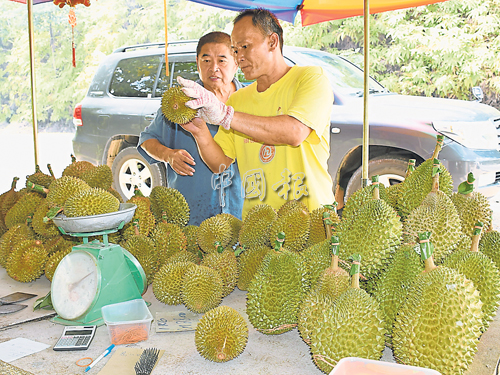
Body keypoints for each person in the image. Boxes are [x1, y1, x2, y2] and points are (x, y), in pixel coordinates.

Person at [178, 8, 334, 219]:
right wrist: (199, 131)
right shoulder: (239, 100)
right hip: (258, 226)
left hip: (310, 220)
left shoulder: (310, 79)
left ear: (272, 42)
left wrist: (226, 116)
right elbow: (220, 163)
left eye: (245, 46)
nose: (239, 57)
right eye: (235, 50)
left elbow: (294, 132)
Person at [138, 31, 244, 226]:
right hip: (191, 214)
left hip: (240, 211)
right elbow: (147, 140)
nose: (214, 68)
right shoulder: (180, 101)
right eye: (206, 61)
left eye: (222, 60)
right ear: (197, 63)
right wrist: (168, 155)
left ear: (236, 62)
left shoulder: (249, 101)